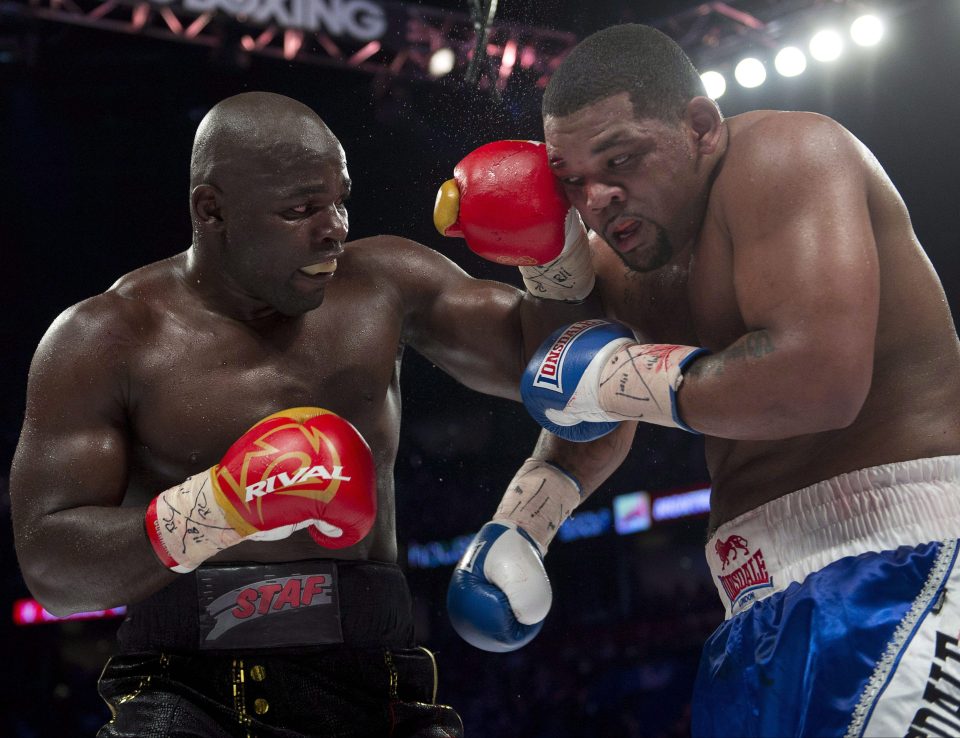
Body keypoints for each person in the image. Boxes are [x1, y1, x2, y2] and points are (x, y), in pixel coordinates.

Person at [9, 91, 596, 737]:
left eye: (340, 199)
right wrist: (221, 506)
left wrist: (555, 255)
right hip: (188, 692)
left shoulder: (382, 283)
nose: (335, 226)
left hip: (379, 684)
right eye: (302, 209)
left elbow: (561, 371)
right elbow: (51, 569)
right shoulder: (108, 338)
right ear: (212, 210)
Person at [446, 23, 960, 738]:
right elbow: (585, 400)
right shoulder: (624, 264)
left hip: (902, 559)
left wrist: (620, 374)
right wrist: (520, 527)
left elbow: (819, 382)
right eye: (572, 183)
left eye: (620, 159)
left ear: (700, 127)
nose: (597, 198)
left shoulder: (786, 155)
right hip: (753, 605)